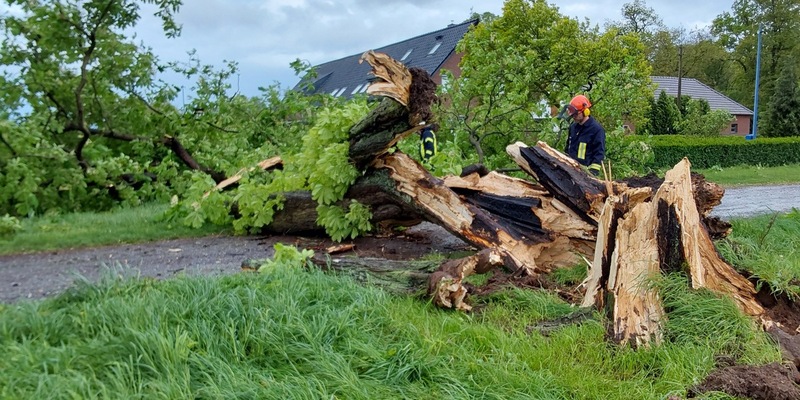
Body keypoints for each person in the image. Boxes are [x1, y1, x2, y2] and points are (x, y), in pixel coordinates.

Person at [564, 94, 605, 176]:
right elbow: (568, 148)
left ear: (585, 112)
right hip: (570, 171)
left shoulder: (596, 130)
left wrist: (592, 173)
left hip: (585, 174)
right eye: (572, 115)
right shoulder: (573, 128)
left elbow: (599, 153)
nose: (573, 117)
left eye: (575, 114)